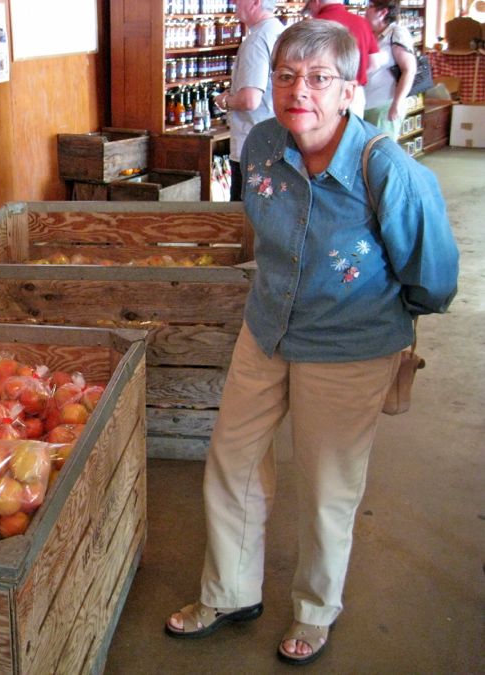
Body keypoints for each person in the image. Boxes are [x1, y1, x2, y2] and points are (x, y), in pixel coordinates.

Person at [164, 20, 458, 666]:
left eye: (320, 78)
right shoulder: (266, 145)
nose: (301, 91)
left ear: (350, 91)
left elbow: (434, 274)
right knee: (232, 458)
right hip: (267, 326)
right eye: (287, 76)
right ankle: (229, 591)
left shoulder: (383, 167)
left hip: (351, 344)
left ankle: (315, 610)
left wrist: (386, 323)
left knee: (327, 487)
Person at [215, 0, 285, 201]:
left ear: (255, 2)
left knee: (243, 214)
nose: (234, 1)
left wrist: (225, 100)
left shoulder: (256, 40)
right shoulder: (280, 32)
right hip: (275, 140)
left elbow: (249, 100)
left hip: (252, 144)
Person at [306, 0, 379, 115]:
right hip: (355, 94)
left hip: (324, 94)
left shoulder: (313, 26)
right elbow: (374, 64)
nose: (310, 10)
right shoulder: (362, 22)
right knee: (354, 132)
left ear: (316, 2)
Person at [364, 0, 417, 140]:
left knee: (380, 149)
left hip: (384, 105)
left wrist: (397, 103)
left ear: (383, 12)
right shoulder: (371, 34)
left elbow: (409, 70)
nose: (365, 11)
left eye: (370, 7)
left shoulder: (396, 33)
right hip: (367, 103)